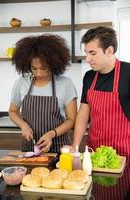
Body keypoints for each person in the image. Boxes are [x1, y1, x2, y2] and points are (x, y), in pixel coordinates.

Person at [9, 34, 77, 153]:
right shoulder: (21, 83)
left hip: (59, 148)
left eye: (44, 68)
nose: (39, 73)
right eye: (34, 68)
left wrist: (51, 134)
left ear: (53, 64)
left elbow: (71, 120)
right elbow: (13, 111)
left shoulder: (65, 84)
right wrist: (23, 126)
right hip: (30, 147)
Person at [72, 26, 130, 156]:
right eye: (86, 53)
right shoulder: (89, 77)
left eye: (93, 53)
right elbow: (83, 113)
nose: (87, 59)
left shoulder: (128, 73)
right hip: (95, 150)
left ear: (109, 50)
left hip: (125, 152)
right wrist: (75, 145)